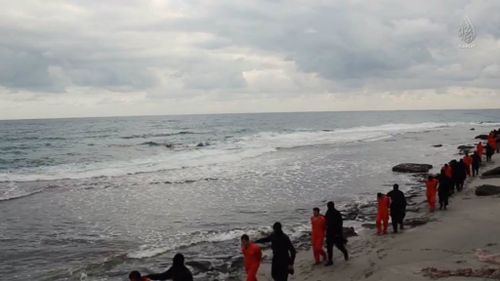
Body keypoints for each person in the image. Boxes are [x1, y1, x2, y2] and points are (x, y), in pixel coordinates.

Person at [324, 201, 349, 266]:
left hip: (336, 233)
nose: (328, 207)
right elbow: (326, 222)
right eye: (328, 206)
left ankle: (345, 252)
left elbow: (340, 224)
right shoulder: (327, 213)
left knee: (339, 246)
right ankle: (330, 260)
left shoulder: (337, 213)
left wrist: (338, 233)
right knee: (329, 248)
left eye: (329, 206)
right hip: (329, 233)